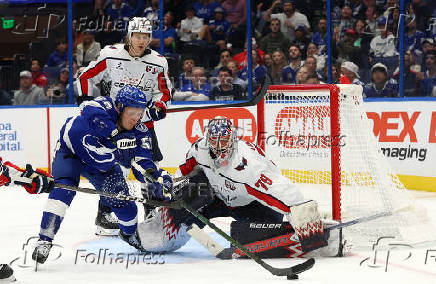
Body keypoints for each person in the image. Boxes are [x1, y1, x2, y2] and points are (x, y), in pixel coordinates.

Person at [135, 117, 342, 258]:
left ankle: (303, 233)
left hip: (253, 205)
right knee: (195, 187)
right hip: (218, 198)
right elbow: (186, 169)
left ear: (233, 139)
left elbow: (281, 191)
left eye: (224, 140)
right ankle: (162, 229)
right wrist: (170, 189)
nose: (219, 146)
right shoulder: (201, 148)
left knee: (251, 237)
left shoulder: (248, 165)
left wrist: (306, 219)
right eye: (214, 140)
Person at [31, 86, 173, 264]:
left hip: (101, 166)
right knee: (62, 192)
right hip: (71, 153)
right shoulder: (104, 106)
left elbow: (142, 164)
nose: (136, 117)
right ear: (119, 107)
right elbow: (87, 109)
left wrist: (154, 178)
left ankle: (129, 235)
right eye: (131, 111)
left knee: (125, 207)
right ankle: (44, 240)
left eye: (140, 112)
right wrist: (114, 135)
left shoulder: (140, 132)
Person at [77, 17, 173, 235]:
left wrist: (158, 105)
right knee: (112, 166)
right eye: (138, 36)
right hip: (116, 122)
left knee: (150, 164)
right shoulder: (111, 54)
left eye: (146, 36)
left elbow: (164, 91)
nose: (142, 41)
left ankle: (152, 210)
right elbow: (86, 77)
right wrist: (85, 102)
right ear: (129, 36)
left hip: (142, 121)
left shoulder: (159, 62)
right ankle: (105, 214)